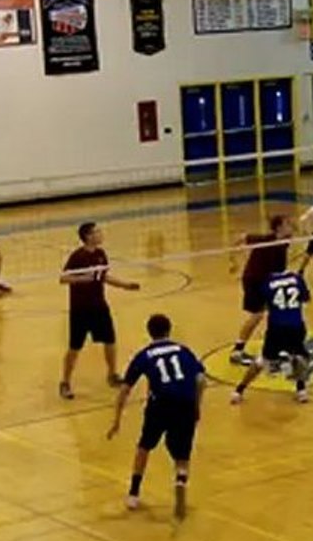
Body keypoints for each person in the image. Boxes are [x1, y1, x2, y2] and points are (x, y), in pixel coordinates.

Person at [107, 314, 207, 519]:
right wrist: (196, 405)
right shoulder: (184, 350)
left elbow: (125, 390)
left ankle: (134, 492)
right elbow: (201, 379)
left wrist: (116, 420)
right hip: (186, 403)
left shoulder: (144, 355)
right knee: (182, 452)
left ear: (149, 332)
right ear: (169, 330)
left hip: (160, 404)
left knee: (144, 446)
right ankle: (180, 479)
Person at [59, 222, 140, 399]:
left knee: (110, 341)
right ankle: (65, 382)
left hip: (99, 306)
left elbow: (104, 277)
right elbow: (63, 278)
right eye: (97, 232)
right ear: (88, 236)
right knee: (75, 347)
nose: (101, 234)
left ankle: (112, 375)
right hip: (80, 309)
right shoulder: (78, 256)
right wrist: (83, 279)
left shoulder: (101, 254)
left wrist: (125, 285)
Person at [231, 270, 313, 405]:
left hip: (277, 327)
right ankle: (301, 391)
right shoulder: (296, 278)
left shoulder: (266, 282)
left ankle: (239, 390)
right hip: (296, 325)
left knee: (262, 361)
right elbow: (306, 299)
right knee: (300, 356)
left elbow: (261, 307)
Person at [230, 215, 293, 366]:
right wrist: (232, 261)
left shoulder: (284, 243)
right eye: (288, 224)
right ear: (279, 228)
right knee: (257, 315)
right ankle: (237, 351)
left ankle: (279, 348)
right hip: (254, 280)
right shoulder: (266, 240)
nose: (291, 227)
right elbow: (241, 238)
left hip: (267, 282)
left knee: (278, 312)